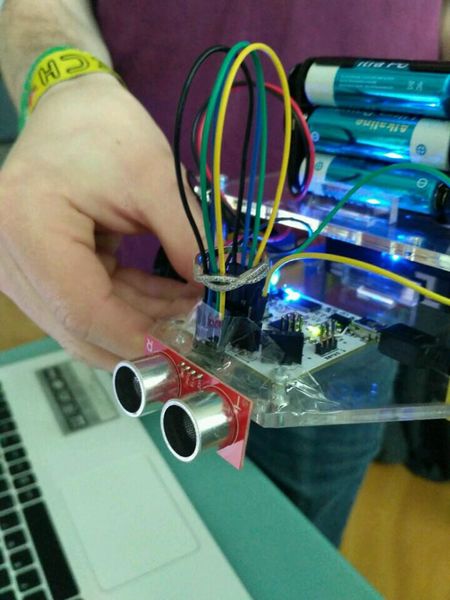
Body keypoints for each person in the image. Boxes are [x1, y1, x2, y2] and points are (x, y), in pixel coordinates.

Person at [0, 0, 448, 546]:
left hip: (358, 308)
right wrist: (63, 84)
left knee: (293, 544)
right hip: (132, 289)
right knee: (136, 521)